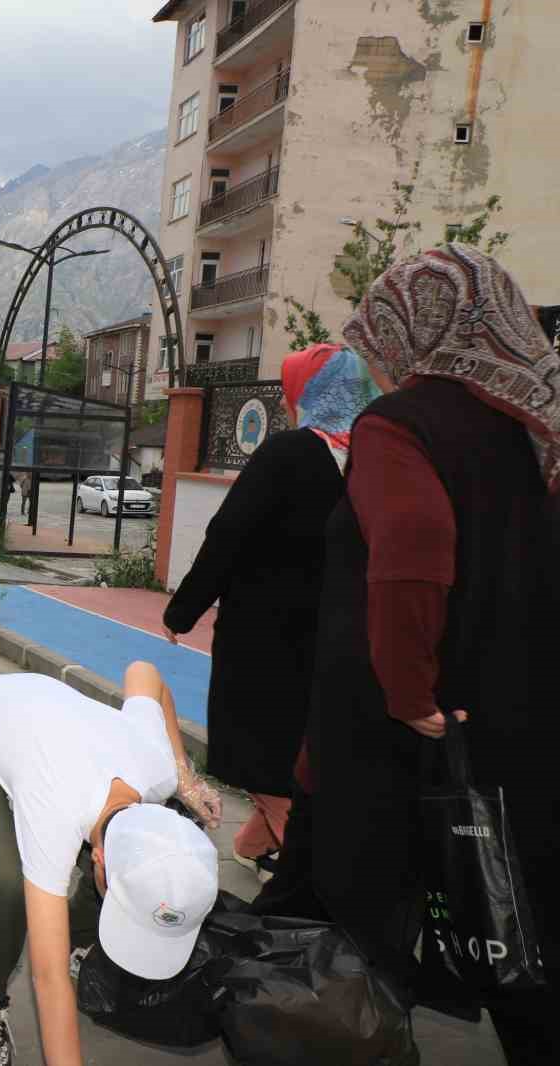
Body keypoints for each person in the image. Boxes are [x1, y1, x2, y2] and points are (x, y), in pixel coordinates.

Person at [308, 245, 560, 1064]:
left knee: (374, 905)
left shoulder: (399, 425)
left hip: (413, 725)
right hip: (518, 701)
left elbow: (413, 555)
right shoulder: (534, 427)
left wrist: (408, 693)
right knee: (512, 904)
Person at [0, 663, 223, 1066]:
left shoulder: (159, 771)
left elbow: (145, 672)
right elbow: (48, 979)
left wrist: (186, 781)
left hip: (44, 723)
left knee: (111, 889)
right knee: (4, 881)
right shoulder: (56, 813)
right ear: (97, 856)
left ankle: (77, 938)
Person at [163, 344, 380, 881]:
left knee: (255, 748)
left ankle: (310, 872)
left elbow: (229, 534)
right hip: (336, 636)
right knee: (296, 748)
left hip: (264, 639)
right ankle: (255, 846)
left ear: (306, 394)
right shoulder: (373, 459)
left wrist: (182, 610)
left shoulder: (287, 452)